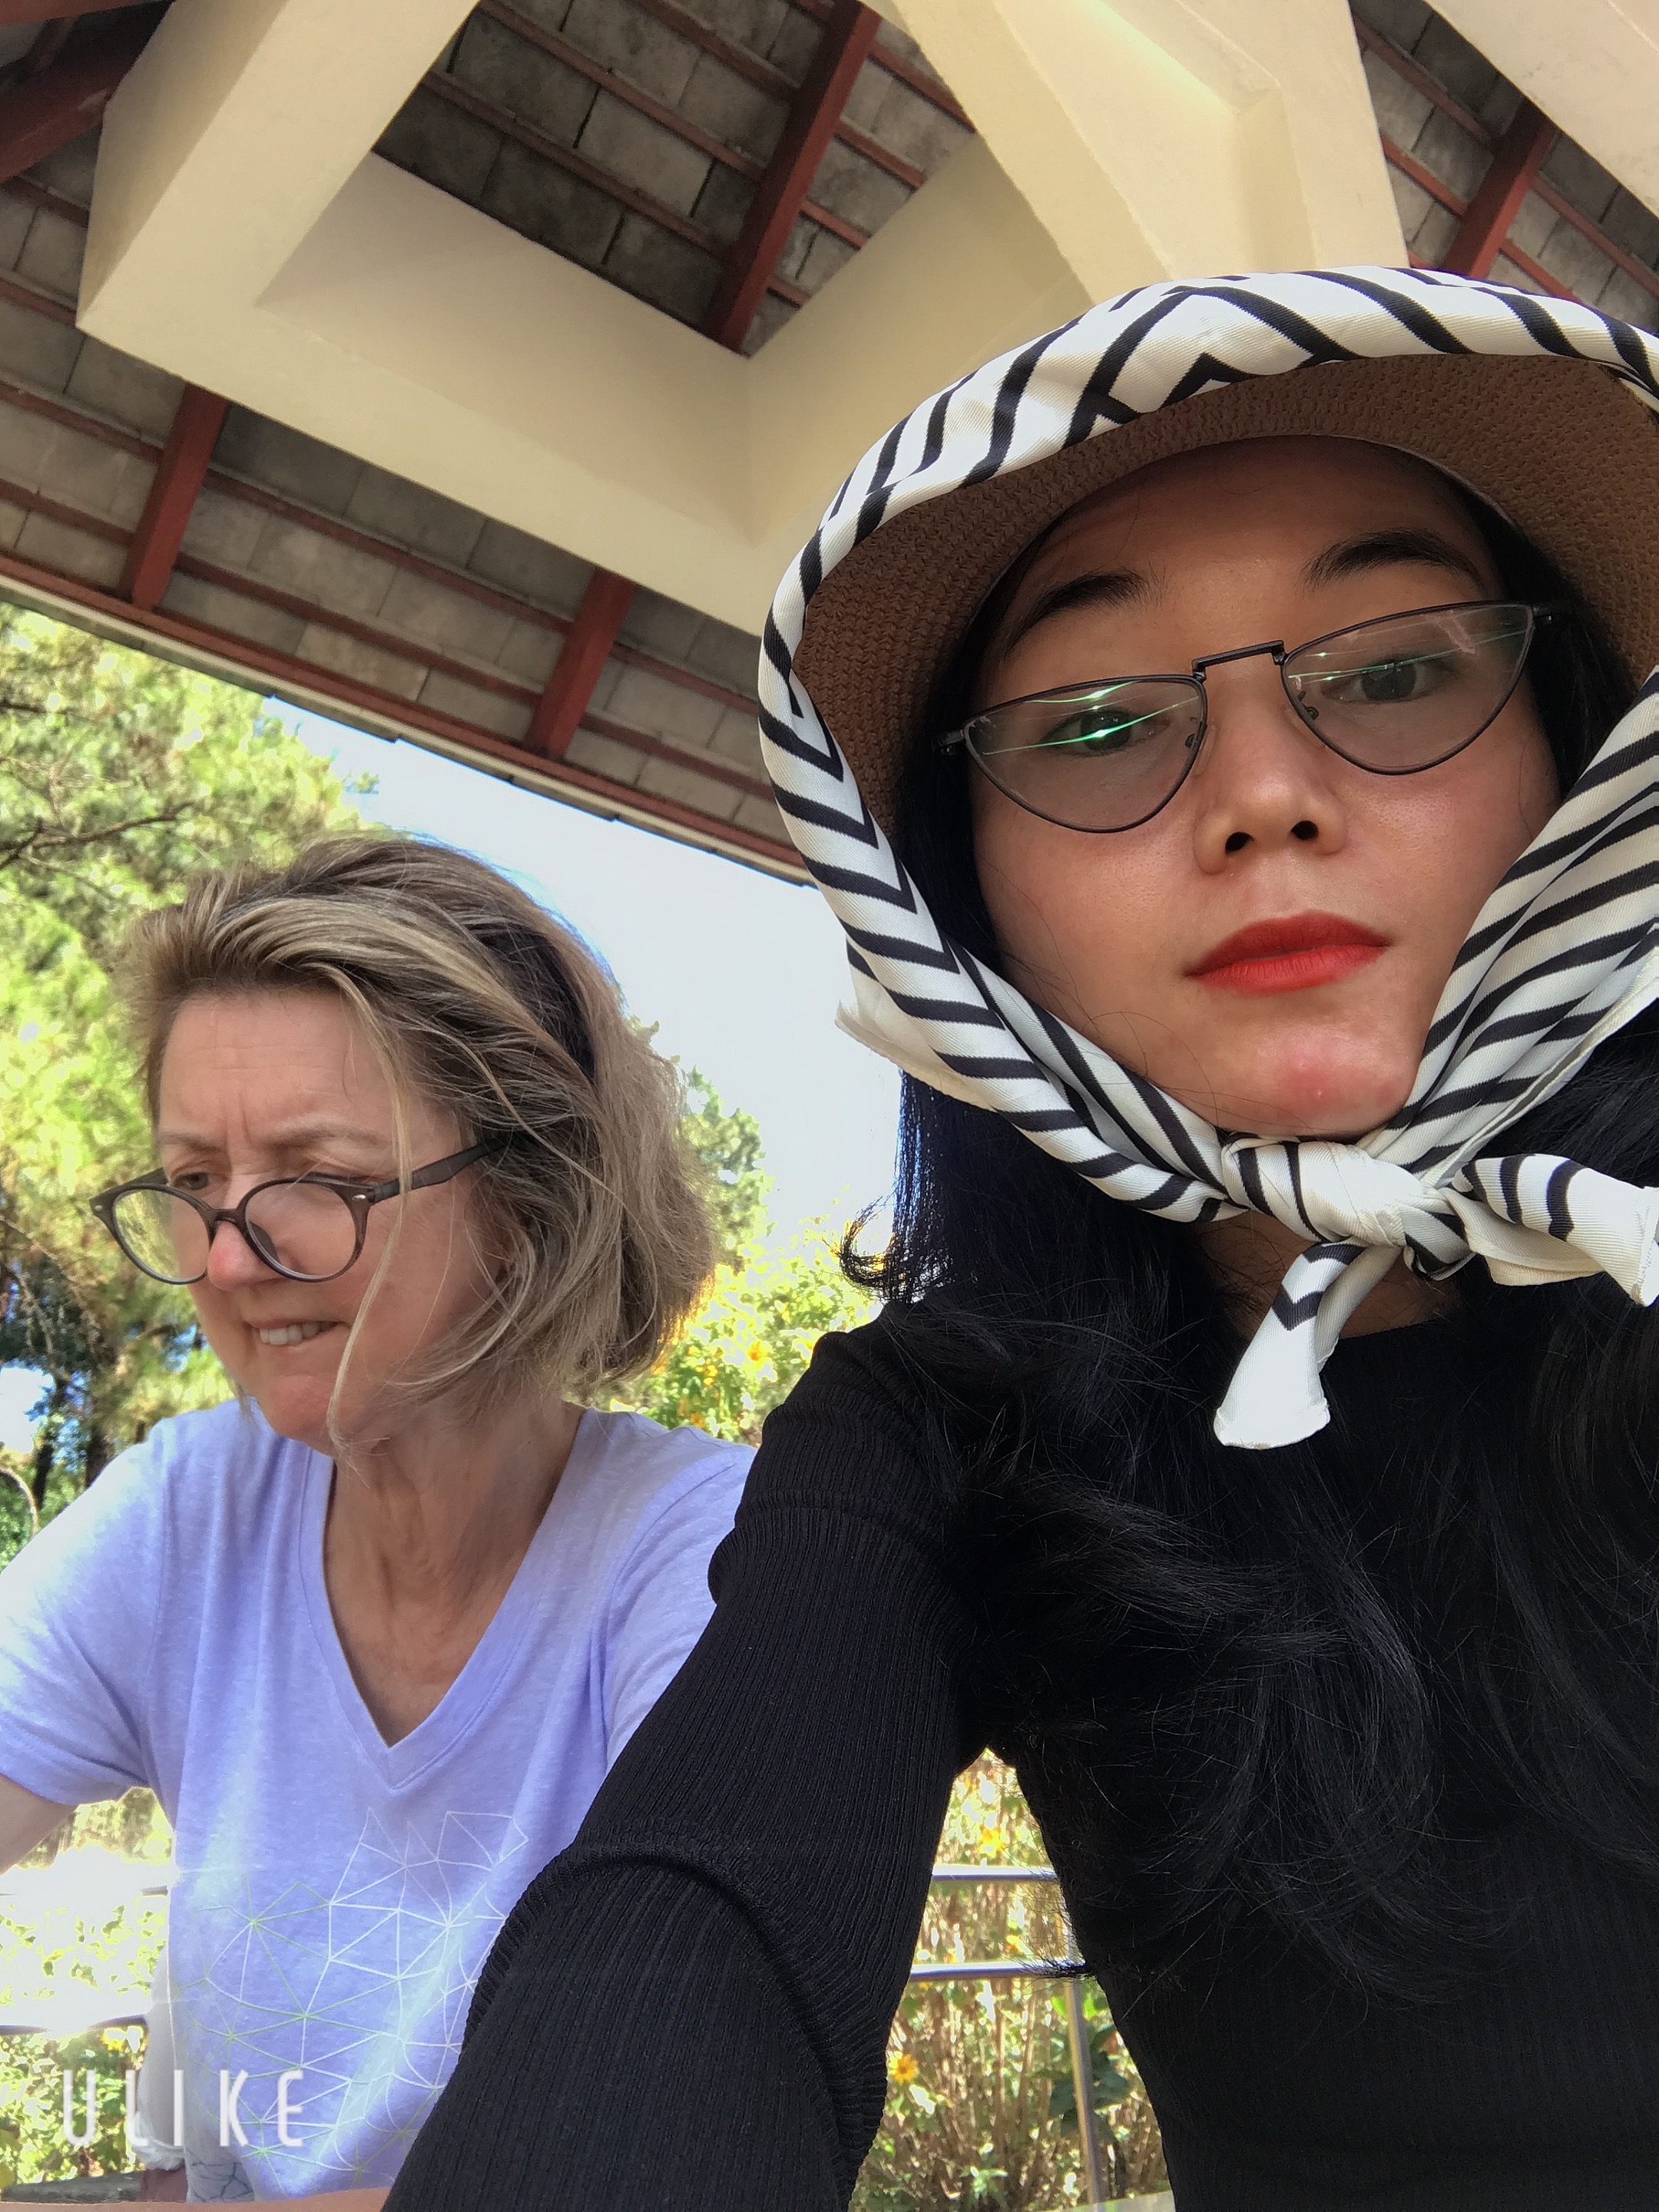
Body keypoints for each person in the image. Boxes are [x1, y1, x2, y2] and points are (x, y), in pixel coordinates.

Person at [379, 268, 1659, 2212]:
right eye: (1098, 721)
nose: (1265, 796)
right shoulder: (941, 1429)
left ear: (1577, 758)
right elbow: (695, 1920)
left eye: (1397, 671)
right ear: (954, 912)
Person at [0, 837, 750, 2201]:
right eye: (193, 1184)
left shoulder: (696, 1556)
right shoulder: (191, 1512)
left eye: (319, 1178)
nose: (230, 1259)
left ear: (528, 1199)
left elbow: (660, 2153)